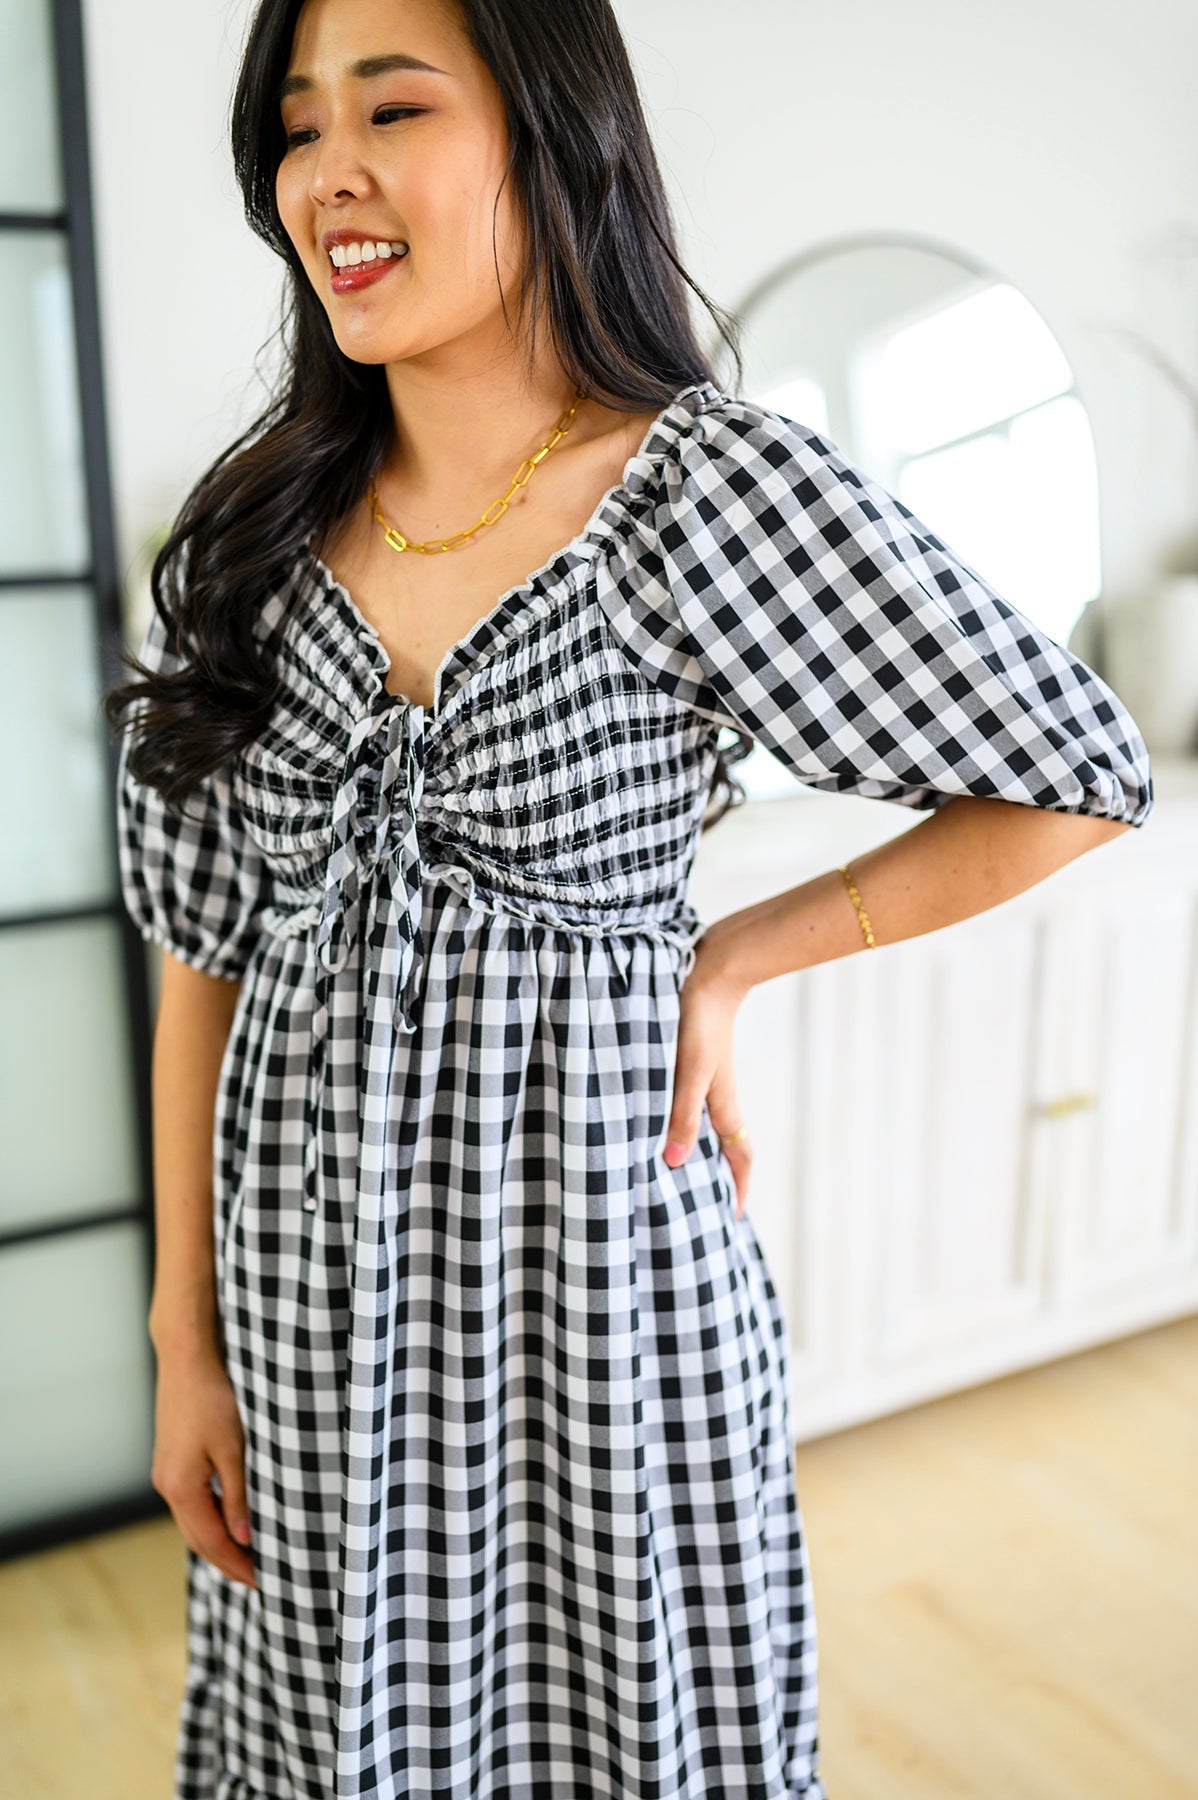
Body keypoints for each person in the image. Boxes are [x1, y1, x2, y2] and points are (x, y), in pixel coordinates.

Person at [104, 0, 1154, 1795]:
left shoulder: (699, 492)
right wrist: (179, 1341)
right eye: (293, 127)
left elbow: (1073, 768)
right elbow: (202, 957)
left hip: (604, 1315)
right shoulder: (251, 546)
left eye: (392, 106)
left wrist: (735, 955)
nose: (325, 174)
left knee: (628, 1736)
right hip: (303, 1321)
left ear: (546, 133)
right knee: (335, 1731)